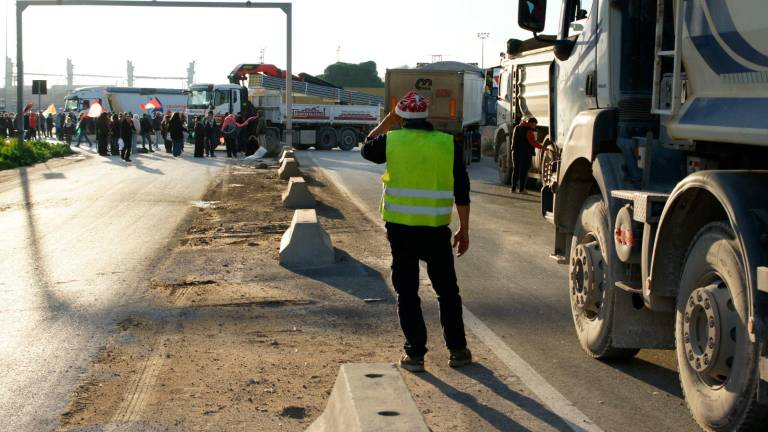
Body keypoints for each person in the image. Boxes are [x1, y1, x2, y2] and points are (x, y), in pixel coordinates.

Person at [361, 91, 472, 373]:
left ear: (402, 117)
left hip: (401, 231)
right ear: (426, 116)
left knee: (408, 292)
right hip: (436, 231)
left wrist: (386, 122)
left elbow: (366, 148)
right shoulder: (448, 144)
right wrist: (464, 229)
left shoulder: (391, 140)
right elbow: (462, 190)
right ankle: (458, 350)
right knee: (448, 292)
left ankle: (416, 355)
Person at [510, 116, 542, 193]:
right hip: (525, 154)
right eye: (534, 124)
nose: (535, 126)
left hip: (515, 152)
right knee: (523, 172)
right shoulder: (528, 131)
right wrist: (543, 147)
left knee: (516, 170)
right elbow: (533, 142)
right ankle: (522, 189)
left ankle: (513, 189)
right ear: (531, 123)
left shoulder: (517, 127)